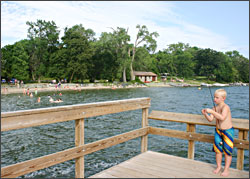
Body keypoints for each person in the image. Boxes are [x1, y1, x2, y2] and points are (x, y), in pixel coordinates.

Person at [201, 89, 234, 177]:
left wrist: (212, 112)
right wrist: (205, 114)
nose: (214, 99)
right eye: (214, 97)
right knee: (218, 151)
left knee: (227, 151)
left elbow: (222, 117)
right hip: (218, 131)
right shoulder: (214, 108)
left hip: (227, 131)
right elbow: (211, 119)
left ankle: (226, 169)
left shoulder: (225, 107)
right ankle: (219, 166)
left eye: (217, 97)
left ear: (223, 98)